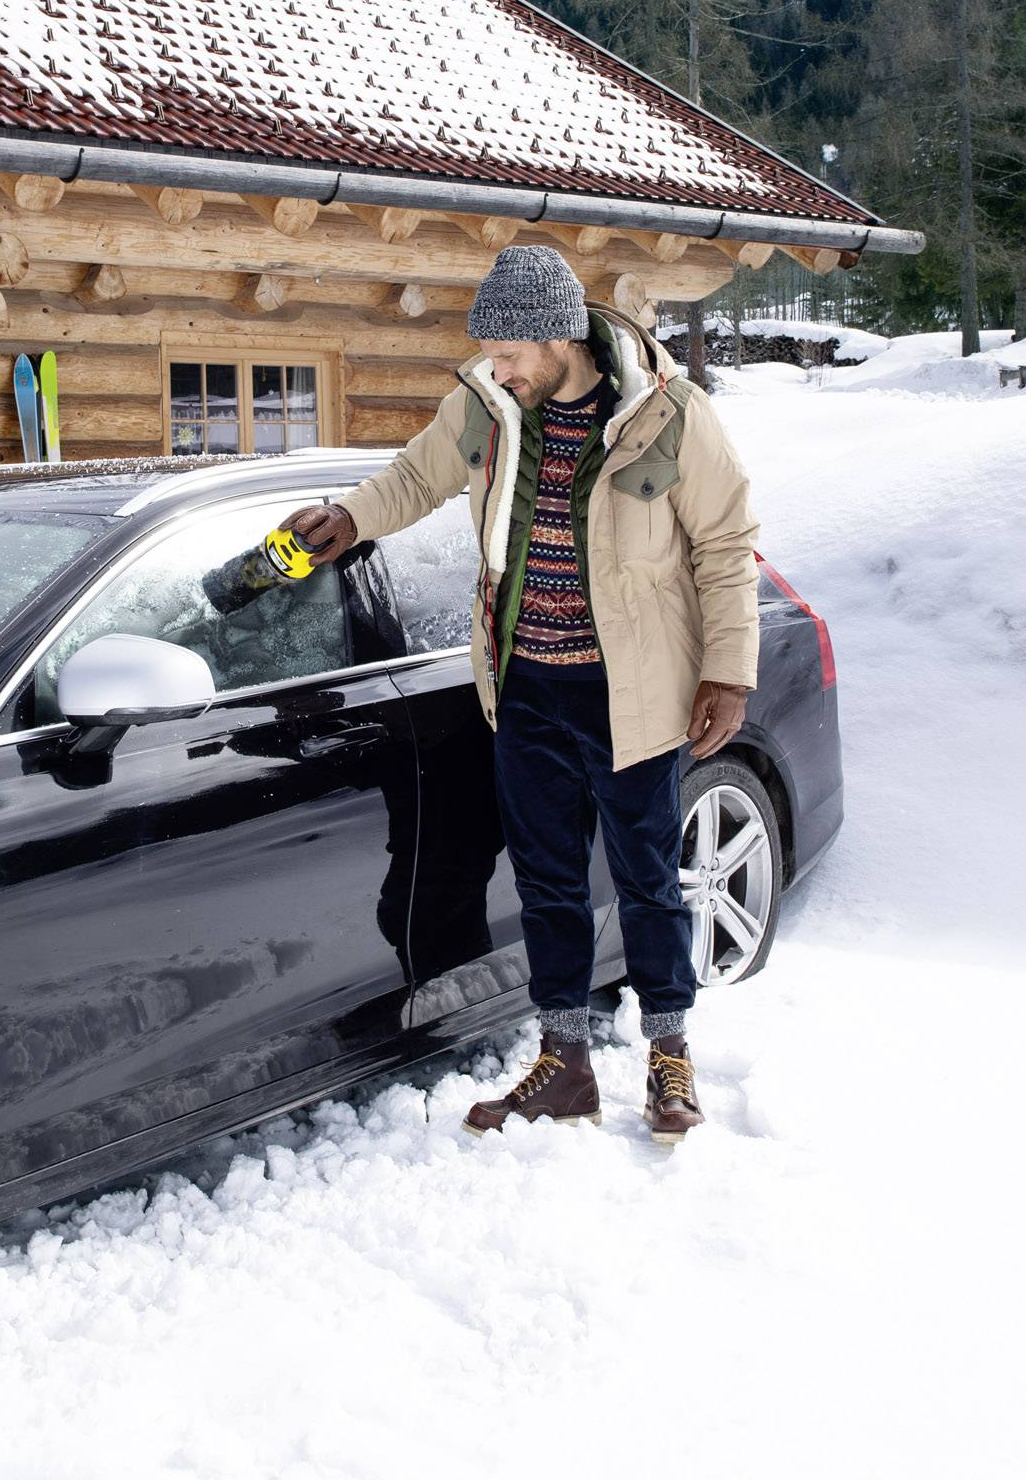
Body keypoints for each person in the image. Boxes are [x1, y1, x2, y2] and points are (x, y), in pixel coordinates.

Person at [284, 243, 759, 1143]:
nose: (494, 369)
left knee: (649, 881)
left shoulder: (669, 414)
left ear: (556, 336)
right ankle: (565, 1061)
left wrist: (727, 672)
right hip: (527, 689)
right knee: (546, 883)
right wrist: (349, 520)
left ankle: (668, 1057)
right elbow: (416, 477)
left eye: (507, 353)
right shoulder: (487, 409)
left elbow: (726, 546)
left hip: (637, 695)